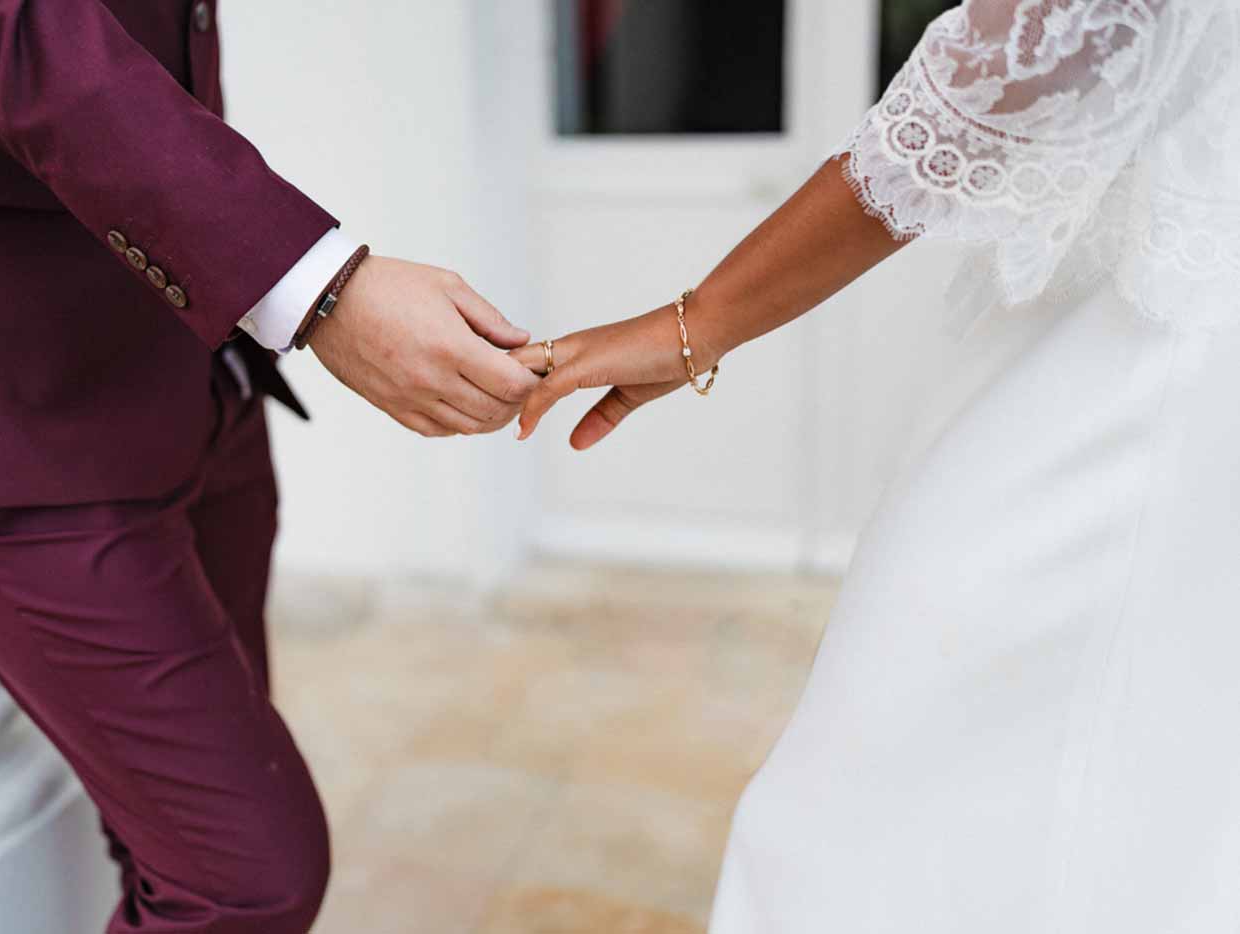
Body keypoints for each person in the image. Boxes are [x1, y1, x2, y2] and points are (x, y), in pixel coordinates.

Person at [516, 0, 1240, 927]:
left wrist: (696, 325)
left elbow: (1002, 71)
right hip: (1168, 360)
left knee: (867, 803)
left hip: (1145, 371)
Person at [0, 1, 539, 932]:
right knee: (244, 879)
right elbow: (7, 25)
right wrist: (315, 287)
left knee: (179, 843)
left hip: (192, 352)